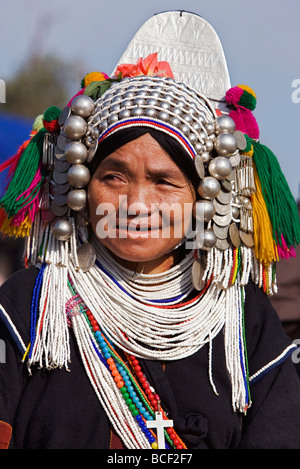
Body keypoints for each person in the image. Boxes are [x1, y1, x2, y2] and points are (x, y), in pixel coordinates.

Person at [1, 11, 300, 450]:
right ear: (83, 182)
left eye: (164, 182)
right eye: (115, 177)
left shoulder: (242, 320)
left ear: (202, 197)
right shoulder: (29, 305)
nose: (136, 205)